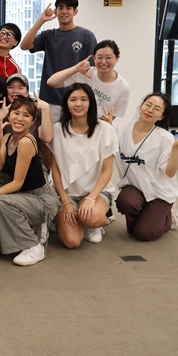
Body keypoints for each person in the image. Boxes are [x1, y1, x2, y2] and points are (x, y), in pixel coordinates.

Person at [0, 97, 60, 266]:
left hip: (41, 199)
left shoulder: (26, 141)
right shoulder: (8, 137)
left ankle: (34, 246)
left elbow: (17, 183)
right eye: (16, 113)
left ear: (33, 122)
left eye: (26, 115)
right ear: (9, 116)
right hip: (23, 196)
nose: (20, 118)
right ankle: (33, 228)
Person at [112, 93, 178, 241]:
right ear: (141, 106)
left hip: (159, 192)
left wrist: (175, 149)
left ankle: (169, 217)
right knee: (125, 204)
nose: (150, 110)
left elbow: (170, 173)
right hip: (135, 187)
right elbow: (106, 151)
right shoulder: (121, 130)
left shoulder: (164, 138)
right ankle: (147, 215)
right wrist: (105, 128)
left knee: (142, 234)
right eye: (148, 104)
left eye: (157, 108)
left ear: (161, 116)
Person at [48, 83, 118, 248]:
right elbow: (55, 169)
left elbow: (107, 170)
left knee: (92, 218)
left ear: (91, 103)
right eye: (73, 99)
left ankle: (95, 224)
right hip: (67, 193)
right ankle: (69, 217)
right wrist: (65, 202)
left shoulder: (105, 129)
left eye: (83, 99)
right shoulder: (58, 130)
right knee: (71, 242)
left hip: (96, 193)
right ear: (66, 103)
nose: (78, 104)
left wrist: (91, 198)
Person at [20, 0, 97, 123]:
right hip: (50, 100)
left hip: (76, 100)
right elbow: (25, 45)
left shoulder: (87, 36)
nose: (64, 11)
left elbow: (92, 69)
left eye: (68, 8)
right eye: (60, 8)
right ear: (55, 12)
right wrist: (41, 20)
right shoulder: (49, 35)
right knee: (46, 135)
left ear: (75, 11)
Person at [47, 39, 130, 121]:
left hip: (97, 126)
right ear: (94, 58)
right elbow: (51, 82)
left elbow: (112, 116)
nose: (103, 62)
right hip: (73, 122)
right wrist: (76, 68)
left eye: (108, 58)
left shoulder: (123, 87)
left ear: (117, 58)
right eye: (99, 57)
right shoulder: (85, 73)